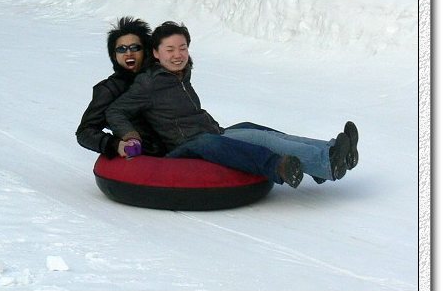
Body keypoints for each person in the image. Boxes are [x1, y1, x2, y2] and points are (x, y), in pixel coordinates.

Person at [105, 21, 360, 188]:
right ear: (156, 53)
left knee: (262, 133)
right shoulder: (149, 83)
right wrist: (129, 137)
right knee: (218, 142)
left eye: (182, 48)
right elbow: (115, 110)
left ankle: (329, 154)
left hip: (210, 133)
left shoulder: (180, 76)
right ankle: (286, 166)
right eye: (170, 49)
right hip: (185, 147)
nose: (178, 55)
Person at [76, 17, 166, 159]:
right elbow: (85, 131)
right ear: (114, 55)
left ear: (146, 51)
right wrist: (115, 144)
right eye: (121, 49)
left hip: (175, 149)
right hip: (143, 155)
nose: (128, 53)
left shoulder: (161, 79)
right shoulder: (110, 89)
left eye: (135, 47)